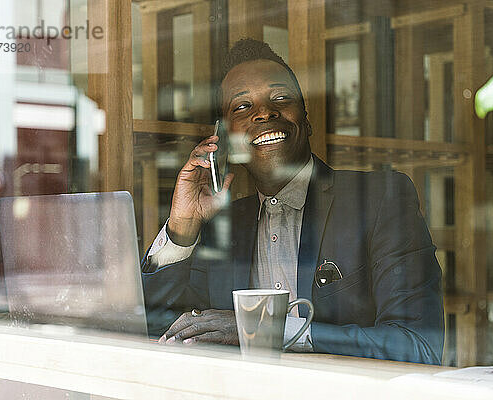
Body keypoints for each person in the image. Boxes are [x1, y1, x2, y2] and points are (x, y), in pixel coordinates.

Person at [141, 39, 444, 364]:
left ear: (306, 119)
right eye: (242, 106)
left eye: (281, 98)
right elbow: (158, 333)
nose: (265, 112)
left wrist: (272, 331)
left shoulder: (379, 199)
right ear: (225, 138)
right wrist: (182, 228)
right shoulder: (220, 227)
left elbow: (417, 346)